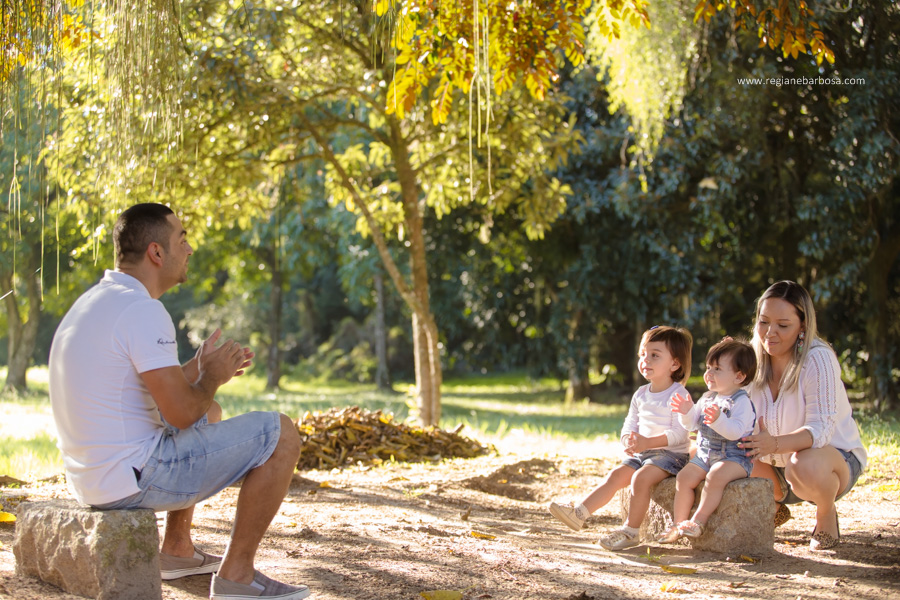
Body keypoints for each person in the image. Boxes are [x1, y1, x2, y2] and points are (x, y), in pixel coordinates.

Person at [49, 203, 311, 600]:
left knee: (213, 411)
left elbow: (150, 388)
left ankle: (177, 550)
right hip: (133, 479)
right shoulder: (143, 310)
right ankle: (236, 578)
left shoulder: (97, 301)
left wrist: (197, 368)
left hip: (94, 478)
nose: (189, 249)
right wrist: (212, 377)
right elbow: (183, 414)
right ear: (157, 252)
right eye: (182, 239)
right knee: (281, 433)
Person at [738, 280, 866, 551]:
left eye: (783, 325)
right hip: (775, 470)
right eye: (763, 322)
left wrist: (773, 443)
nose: (770, 333)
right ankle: (773, 507)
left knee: (802, 464)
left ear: (803, 326)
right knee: (703, 452)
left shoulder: (817, 358)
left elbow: (820, 430)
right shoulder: (749, 358)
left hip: (829, 462)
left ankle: (825, 513)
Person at [548, 326, 693, 551]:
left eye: (655, 355)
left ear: (675, 364)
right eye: (643, 354)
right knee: (615, 476)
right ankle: (580, 513)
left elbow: (680, 434)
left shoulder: (678, 394)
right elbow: (630, 422)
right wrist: (628, 439)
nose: (646, 359)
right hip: (643, 453)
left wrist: (647, 443)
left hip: (671, 456)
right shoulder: (641, 394)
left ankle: (630, 531)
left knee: (641, 479)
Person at [658, 338, 757, 543]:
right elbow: (693, 425)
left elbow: (736, 432)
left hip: (734, 457)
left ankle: (698, 521)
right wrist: (686, 412)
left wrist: (719, 420)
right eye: (708, 367)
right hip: (705, 454)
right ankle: (678, 524)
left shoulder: (742, 402)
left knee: (715, 477)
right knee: (684, 478)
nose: (709, 373)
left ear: (739, 376)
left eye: (717, 369)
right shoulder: (708, 398)